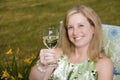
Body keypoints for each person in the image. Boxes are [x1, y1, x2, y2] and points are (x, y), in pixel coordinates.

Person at [29, 5, 113, 80]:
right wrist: (42, 66)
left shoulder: (103, 64)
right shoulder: (57, 55)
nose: (75, 32)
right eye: (70, 27)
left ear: (93, 28)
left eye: (81, 26)